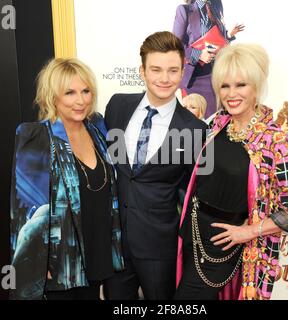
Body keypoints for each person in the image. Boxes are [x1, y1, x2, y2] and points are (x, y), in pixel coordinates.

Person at [175, 43, 288, 300]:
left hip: (223, 245)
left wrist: (249, 231)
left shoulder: (275, 141)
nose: (231, 93)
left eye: (240, 85)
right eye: (225, 86)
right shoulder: (220, 122)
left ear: (256, 87)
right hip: (193, 231)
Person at [104, 31, 207, 300]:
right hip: (115, 245)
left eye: (173, 70)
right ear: (142, 70)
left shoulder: (194, 129)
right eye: (156, 69)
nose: (164, 78)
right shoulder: (117, 106)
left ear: (183, 70)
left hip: (160, 249)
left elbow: (198, 193)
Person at [10, 58, 124, 300]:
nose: (81, 100)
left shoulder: (98, 128)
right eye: (70, 93)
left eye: (85, 91)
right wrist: (36, 265)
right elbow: (26, 212)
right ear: (53, 97)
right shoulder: (37, 136)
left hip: (97, 252)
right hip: (59, 263)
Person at [173, 0, 244, 119]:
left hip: (216, 75)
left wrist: (229, 36)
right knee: (196, 123)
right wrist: (199, 54)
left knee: (216, 122)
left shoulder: (216, 8)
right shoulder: (184, 10)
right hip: (195, 78)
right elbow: (174, 45)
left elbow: (216, 39)